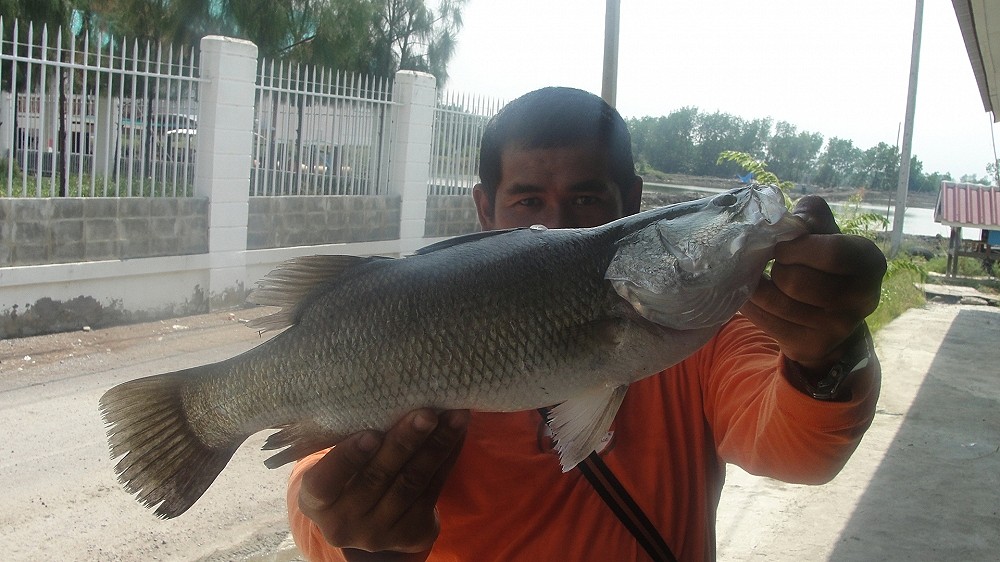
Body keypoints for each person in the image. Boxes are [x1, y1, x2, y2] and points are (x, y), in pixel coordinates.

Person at [285, 87, 886, 561]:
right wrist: (361, 546)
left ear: (634, 202)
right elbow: (313, 496)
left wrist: (827, 355)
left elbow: (802, 453)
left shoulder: (711, 329)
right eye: (526, 201)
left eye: (587, 200)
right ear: (482, 208)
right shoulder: (418, 315)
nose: (555, 225)